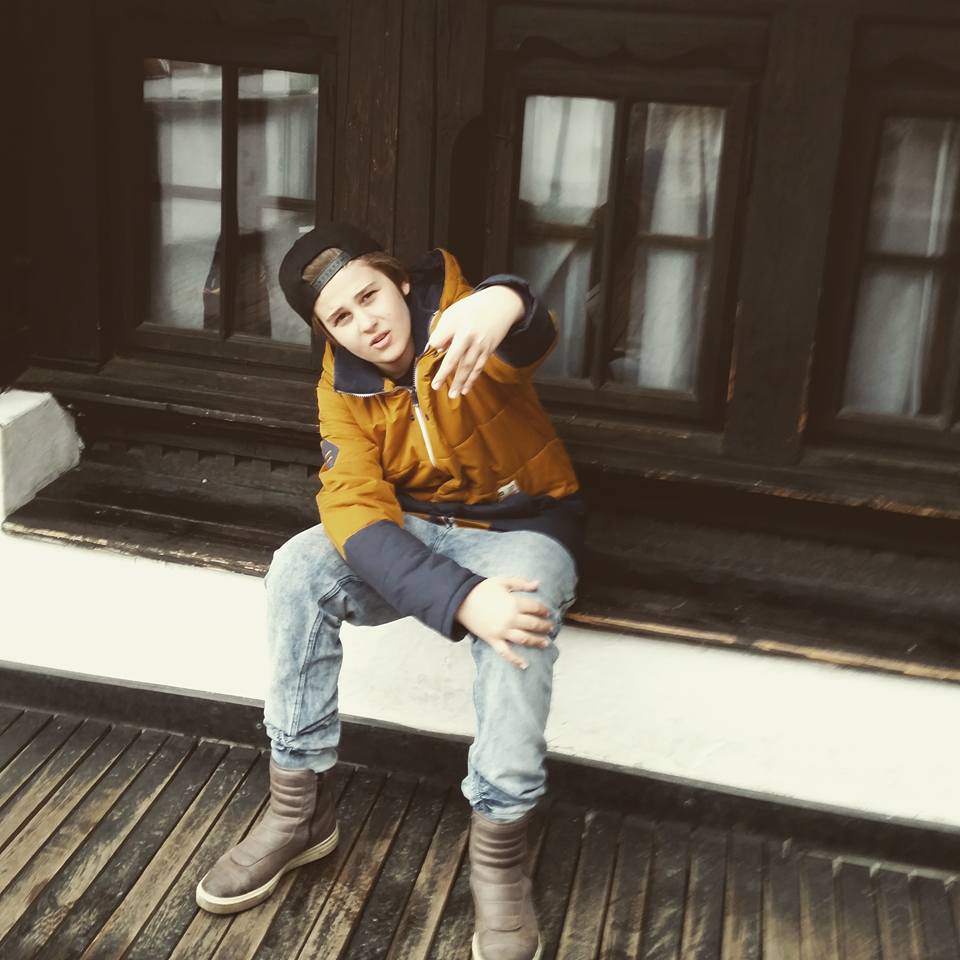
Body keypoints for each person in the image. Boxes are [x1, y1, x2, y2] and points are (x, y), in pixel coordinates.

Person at [195, 223, 584, 960]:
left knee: (520, 621)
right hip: (415, 526)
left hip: (518, 524)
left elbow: (528, 338)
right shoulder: (341, 388)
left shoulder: (465, 322)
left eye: (370, 295)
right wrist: (460, 597)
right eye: (340, 316)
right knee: (299, 568)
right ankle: (298, 810)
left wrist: (506, 300)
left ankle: (499, 855)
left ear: (400, 282)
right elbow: (351, 505)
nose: (365, 323)